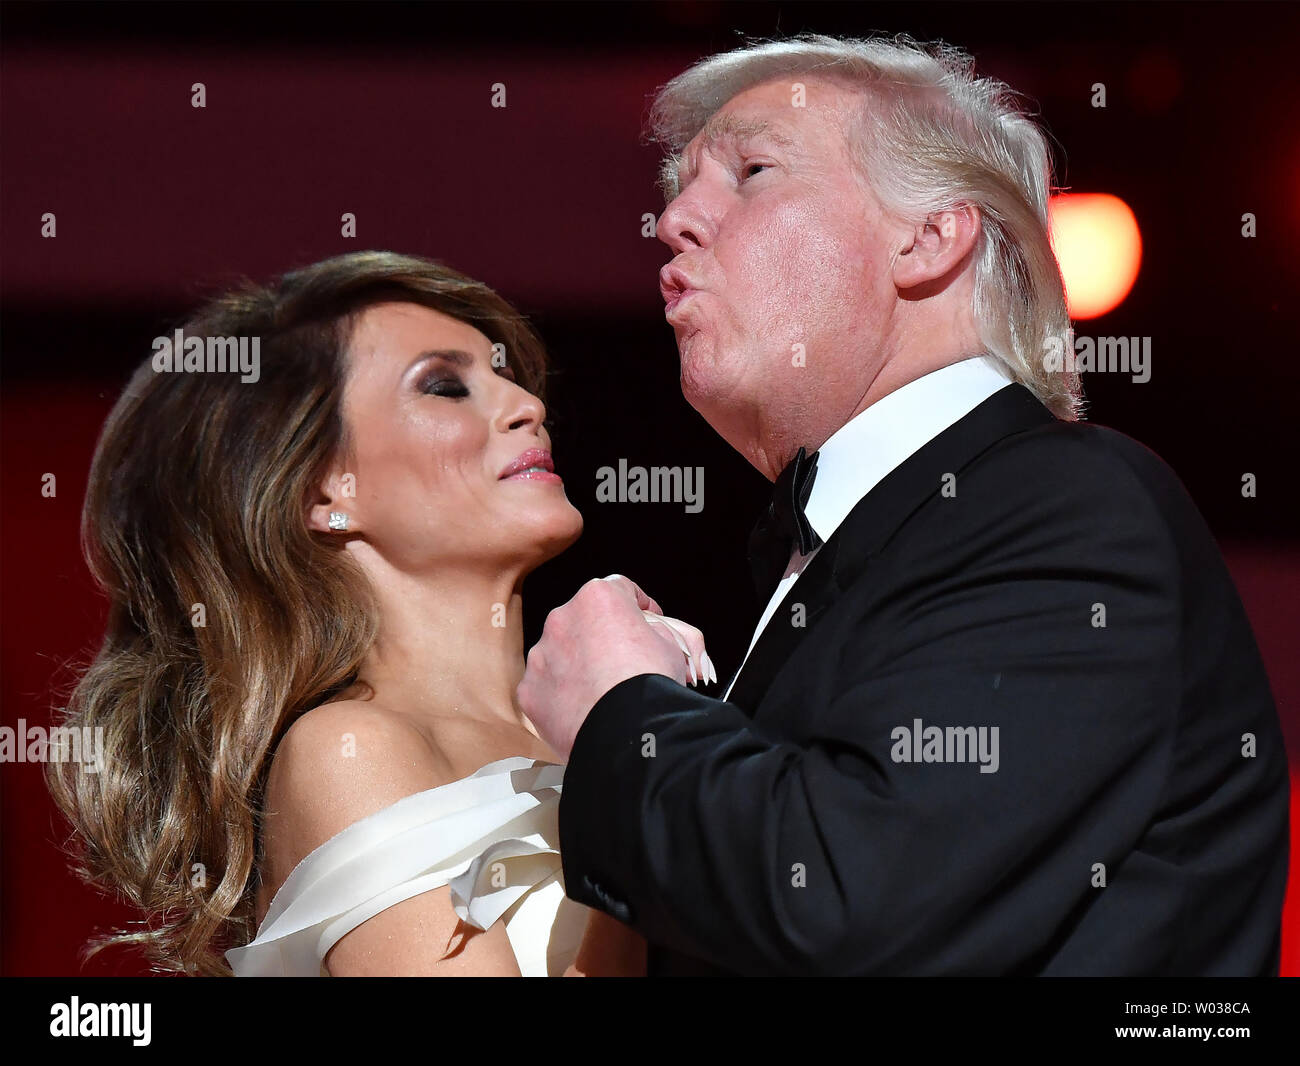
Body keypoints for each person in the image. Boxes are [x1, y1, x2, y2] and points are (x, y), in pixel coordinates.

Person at [517, 34, 1292, 975]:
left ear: (929, 236)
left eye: (752, 170)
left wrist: (621, 712)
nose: (676, 218)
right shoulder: (876, 537)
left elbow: (851, 896)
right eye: (676, 187)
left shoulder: (1068, 504)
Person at [46, 250, 666, 976]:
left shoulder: (595, 719)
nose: (526, 406)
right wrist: (628, 771)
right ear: (322, 493)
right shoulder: (348, 750)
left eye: (509, 377)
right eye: (444, 387)